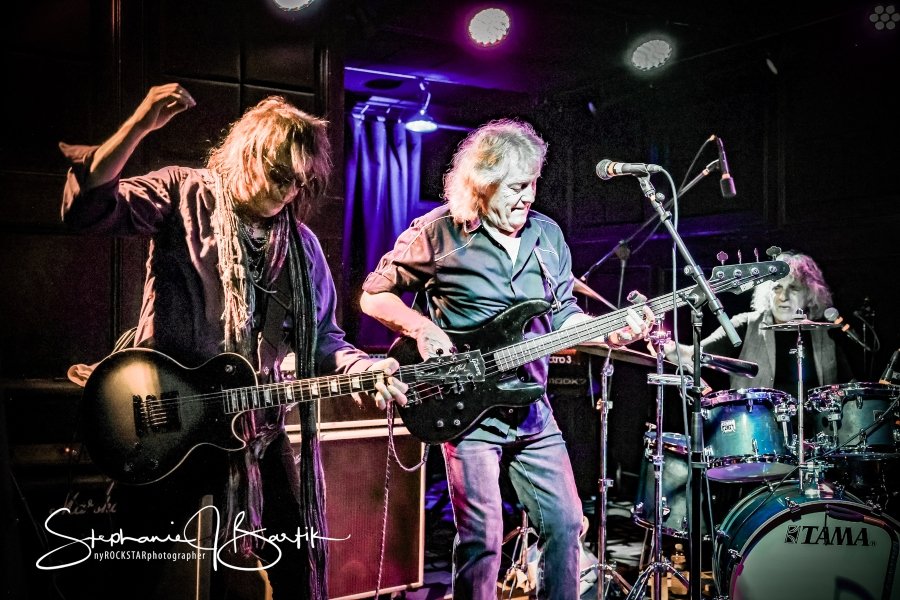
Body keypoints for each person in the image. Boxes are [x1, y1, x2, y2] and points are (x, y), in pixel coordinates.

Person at [60, 83, 407, 599]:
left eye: (300, 181)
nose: (289, 191)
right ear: (249, 154)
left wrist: (364, 368)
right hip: (165, 421)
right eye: (280, 174)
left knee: (296, 565)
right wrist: (139, 125)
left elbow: (325, 339)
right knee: (139, 573)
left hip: (254, 428)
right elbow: (87, 207)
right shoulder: (184, 193)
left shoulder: (302, 247)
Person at [359, 119, 653, 599]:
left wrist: (611, 332)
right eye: (517, 187)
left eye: (533, 183)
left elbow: (564, 315)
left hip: (532, 410)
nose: (528, 197)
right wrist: (421, 327)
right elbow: (374, 295)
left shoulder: (547, 235)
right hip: (468, 412)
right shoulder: (439, 232)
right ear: (483, 183)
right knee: (483, 542)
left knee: (566, 523)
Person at [664, 250, 853, 397]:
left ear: (810, 295)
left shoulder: (827, 335)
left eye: (793, 288)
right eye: (777, 288)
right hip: (757, 432)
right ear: (766, 292)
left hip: (818, 435)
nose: (783, 297)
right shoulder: (744, 325)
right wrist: (665, 345)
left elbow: (850, 389)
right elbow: (693, 355)